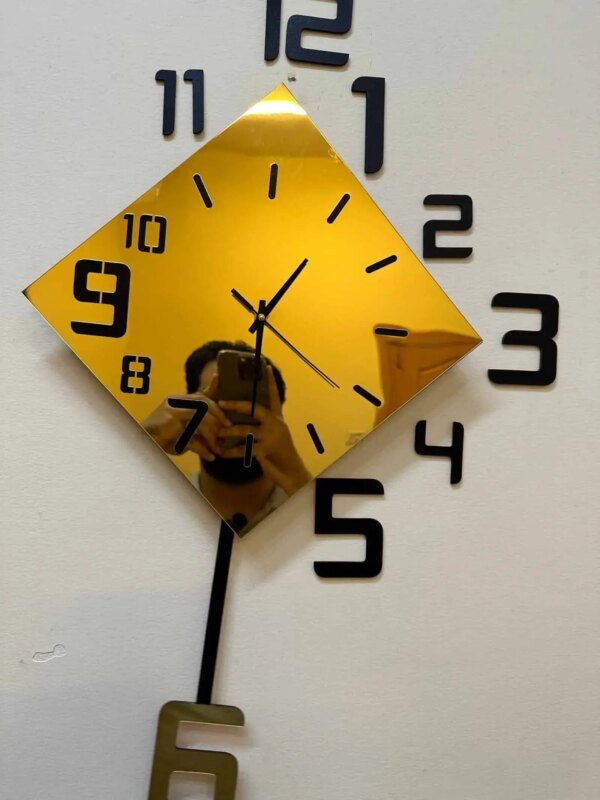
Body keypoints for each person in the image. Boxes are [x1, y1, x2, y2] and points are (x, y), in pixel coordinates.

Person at [142, 340, 311, 533]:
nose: (233, 422)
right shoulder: (160, 505)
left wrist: (299, 481)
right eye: (216, 403)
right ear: (189, 409)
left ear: (279, 417)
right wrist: (146, 439)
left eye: (250, 405)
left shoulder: (308, 507)